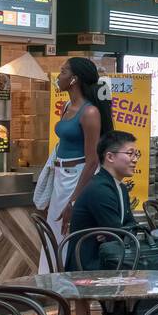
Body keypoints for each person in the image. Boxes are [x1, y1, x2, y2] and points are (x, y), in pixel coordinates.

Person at [37, 56, 112, 271]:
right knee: (54, 235)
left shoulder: (89, 112)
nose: (58, 77)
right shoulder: (68, 106)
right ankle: (55, 289)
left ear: (74, 79)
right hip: (60, 176)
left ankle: (69, 290)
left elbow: (92, 161)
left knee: (68, 235)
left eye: (62, 72)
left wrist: (74, 201)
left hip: (77, 177)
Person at [66, 130, 140, 267]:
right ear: (110, 157)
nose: (135, 159)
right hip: (88, 265)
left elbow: (129, 226)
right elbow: (117, 233)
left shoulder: (120, 187)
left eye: (136, 154)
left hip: (110, 257)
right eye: (130, 154)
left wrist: (117, 231)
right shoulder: (100, 189)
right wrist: (117, 232)